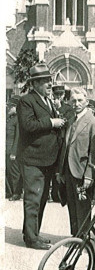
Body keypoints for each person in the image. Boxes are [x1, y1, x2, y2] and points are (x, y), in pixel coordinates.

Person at [17, 63, 66, 249]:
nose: (49, 84)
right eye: (45, 81)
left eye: (49, 80)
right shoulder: (27, 101)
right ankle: (31, 239)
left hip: (46, 160)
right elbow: (28, 125)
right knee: (33, 199)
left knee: (41, 198)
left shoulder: (47, 101)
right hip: (33, 159)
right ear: (35, 83)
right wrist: (51, 122)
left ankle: (32, 233)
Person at [57, 87, 95, 236]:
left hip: (82, 173)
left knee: (82, 208)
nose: (76, 104)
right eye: (73, 101)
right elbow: (66, 146)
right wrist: (61, 171)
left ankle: (84, 239)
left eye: (80, 101)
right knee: (72, 206)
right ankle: (74, 237)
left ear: (86, 101)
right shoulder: (71, 120)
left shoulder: (93, 122)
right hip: (69, 171)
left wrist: (89, 175)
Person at [50, 85, 74, 202]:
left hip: (62, 142)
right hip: (51, 143)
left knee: (60, 168)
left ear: (64, 95)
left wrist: (59, 110)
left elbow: (67, 123)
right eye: (56, 95)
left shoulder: (68, 108)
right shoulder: (49, 107)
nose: (58, 97)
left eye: (61, 94)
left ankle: (58, 194)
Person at [6, 96, 23, 201]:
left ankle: (17, 192)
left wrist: (14, 152)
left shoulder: (18, 120)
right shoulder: (10, 119)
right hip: (6, 149)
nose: (8, 108)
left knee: (15, 172)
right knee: (8, 171)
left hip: (12, 151)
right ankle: (10, 191)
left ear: (16, 107)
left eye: (10, 106)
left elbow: (18, 137)